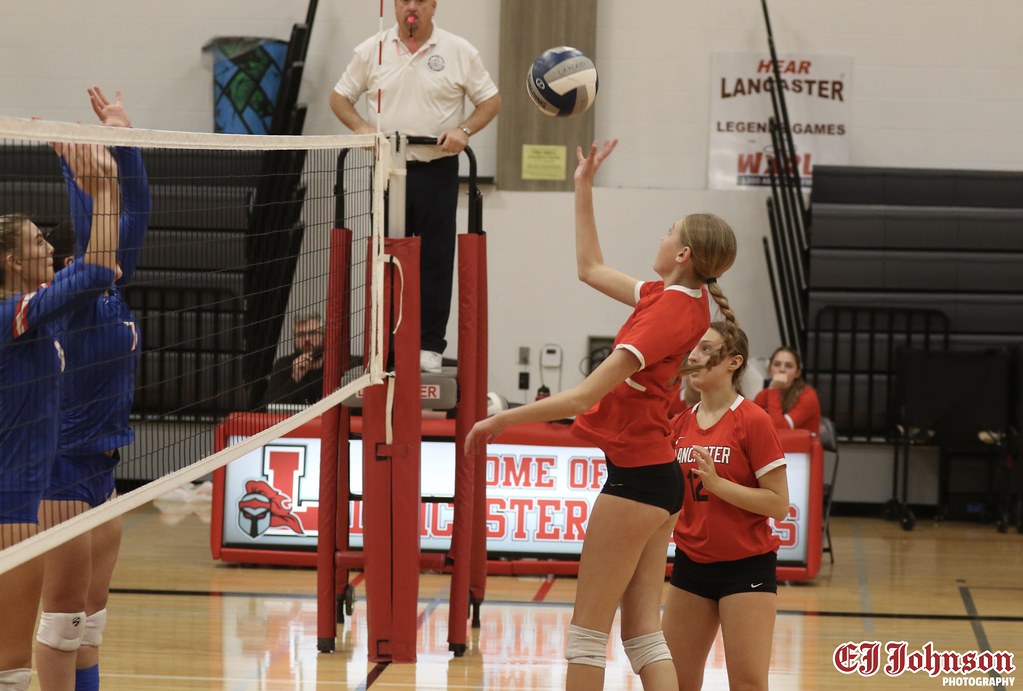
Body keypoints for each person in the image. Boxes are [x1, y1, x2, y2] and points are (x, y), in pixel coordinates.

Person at [466, 139, 738, 690]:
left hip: (638, 481)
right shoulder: (680, 300)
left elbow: (581, 399)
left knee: (587, 631)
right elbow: (589, 268)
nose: (661, 238)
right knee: (642, 633)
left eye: (669, 232)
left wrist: (501, 419)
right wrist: (583, 184)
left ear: (684, 253)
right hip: (656, 479)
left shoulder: (662, 315)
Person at [34, 87, 150, 691]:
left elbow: (138, 214)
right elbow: (101, 227)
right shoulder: (77, 300)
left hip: (104, 469)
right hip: (62, 472)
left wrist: (124, 141)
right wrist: (73, 166)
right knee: (60, 627)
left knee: (89, 627)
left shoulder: (111, 293)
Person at [0, 141, 119, 691]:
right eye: (36, 241)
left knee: (15, 667)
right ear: (11, 261)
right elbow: (95, 268)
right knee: (13, 670)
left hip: (23, 496)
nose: (47, 246)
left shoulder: (36, 318)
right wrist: (106, 190)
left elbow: (101, 269)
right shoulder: (12, 316)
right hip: (13, 500)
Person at [330, 0, 501, 373]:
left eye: (420, 1)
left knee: (436, 259)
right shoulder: (370, 49)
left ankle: (429, 346)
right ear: (394, 5)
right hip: (387, 170)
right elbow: (339, 97)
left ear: (433, 6)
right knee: (386, 257)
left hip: (436, 169)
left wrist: (464, 130)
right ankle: (383, 344)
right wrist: (363, 131)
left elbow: (491, 100)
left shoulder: (459, 51)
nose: (412, 7)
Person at [662, 323, 791, 691]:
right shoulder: (678, 425)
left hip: (745, 568)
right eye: (694, 349)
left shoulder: (753, 420)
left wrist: (719, 485)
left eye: (705, 349)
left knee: (748, 683)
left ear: (734, 362)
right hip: (691, 566)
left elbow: (778, 504)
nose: (694, 356)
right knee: (676, 682)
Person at [753, 345, 821, 434]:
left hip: (801, 446)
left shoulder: (808, 396)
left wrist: (774, 389)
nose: (782, 370)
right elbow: (752, 428)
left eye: (789, 366)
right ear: (770, 370)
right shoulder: (762, 396)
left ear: (797, 372)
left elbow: (781, 429)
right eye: (777, 365)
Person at [264, 311, 325, 406]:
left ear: (324, 335)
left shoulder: (341, 363)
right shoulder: (282, 364)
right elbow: (268, 407)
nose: (307, 339)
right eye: (301, 335)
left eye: (312, 333)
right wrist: (294, 379)